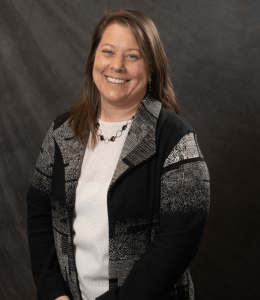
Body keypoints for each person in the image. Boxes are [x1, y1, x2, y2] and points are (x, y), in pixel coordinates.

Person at [26, 8, 210, 300]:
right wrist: (53, 293)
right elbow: (39, 213)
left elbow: (178, 241)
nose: (117, 65)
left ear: (151, 69)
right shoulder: (63, 131)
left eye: (132, 56)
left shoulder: (175, 139)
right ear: (93, 60)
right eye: (108, 52)